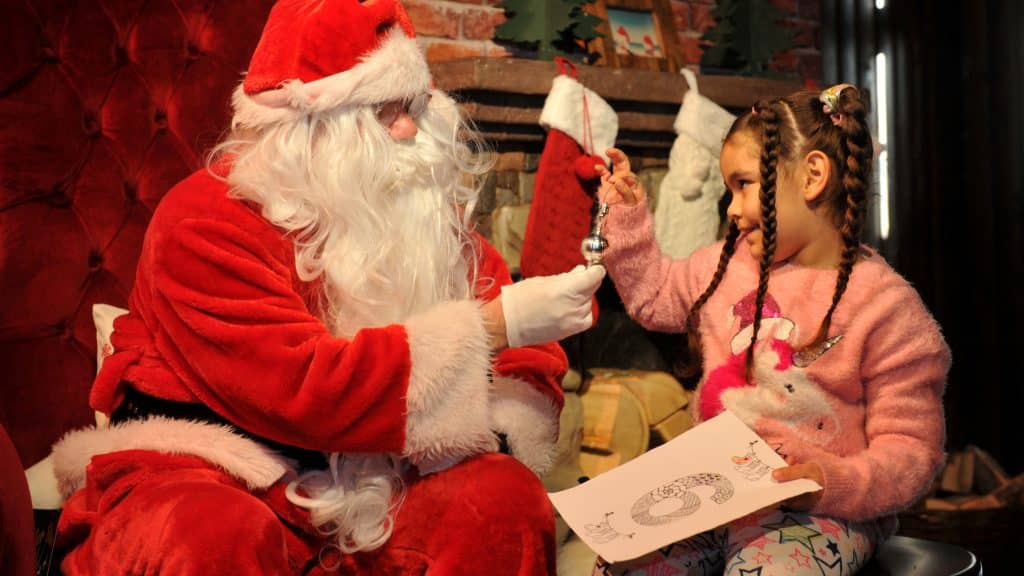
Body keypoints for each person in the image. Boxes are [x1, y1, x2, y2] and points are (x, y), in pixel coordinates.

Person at [49, 1, 605, 574]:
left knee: (499, 499)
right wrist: (491, 327)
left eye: (416, 104)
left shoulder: (423, 217)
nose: (410, 129)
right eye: (386, 109)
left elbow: (528, 354)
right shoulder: (202, 219)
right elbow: (301, 388)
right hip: (214, 460)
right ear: (303, 124)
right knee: (207, 532)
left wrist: (508, 420)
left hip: (382, 476)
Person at [590, 84, 949, 575]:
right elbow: (654, 298)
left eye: (743, 185)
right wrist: (627, 217)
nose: (732, 210)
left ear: (812, 176)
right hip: (712, 496)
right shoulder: (725, 264)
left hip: (822, 511)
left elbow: (912, 451)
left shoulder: (886, 307)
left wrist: (831, 482)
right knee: (621, 563)